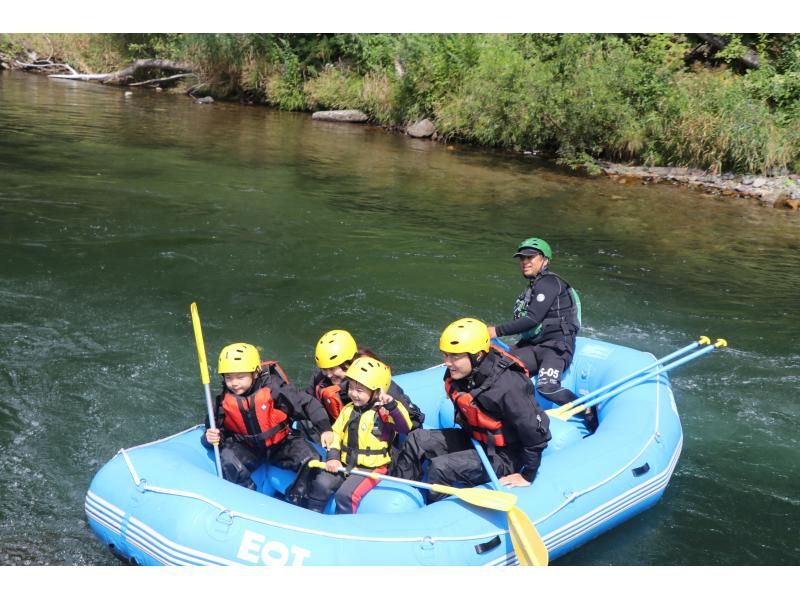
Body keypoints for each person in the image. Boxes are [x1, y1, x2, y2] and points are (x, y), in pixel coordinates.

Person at [390, 318, 550, 502]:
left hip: (506, 456)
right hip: (475, 439)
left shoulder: (508, 385)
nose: (448, 362)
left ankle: (435, 517)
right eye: (445, 355)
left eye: (455, 356)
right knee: (416, 439)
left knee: (441, 467)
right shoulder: (459, 373)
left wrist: (527, 474)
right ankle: (401, 498)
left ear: (478, 355)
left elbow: (536, 433)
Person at [487, 237, 597, 433]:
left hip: (556, 345)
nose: (525, 261)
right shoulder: (533, 287)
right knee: (498, 372)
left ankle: (588, 410)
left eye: (531, 257)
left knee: (547, 387)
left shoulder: (550, 283)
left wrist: (495, 331)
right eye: (522, 258)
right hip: (533, 345)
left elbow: (532, 319)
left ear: (544, 260)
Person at [201, 342, 333, 503]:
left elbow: (306, 404)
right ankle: (247, 497)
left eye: (240, 377)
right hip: (247, 447)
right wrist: (210, 438)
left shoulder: (274, 389)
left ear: (255, 373)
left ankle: (297, 498)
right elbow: (212, 431)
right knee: (227, 459)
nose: (234, 383)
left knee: (311, 460)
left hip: (281, 444)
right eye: (228, 378)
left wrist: (325, 428)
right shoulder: (222, 401)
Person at [305, 356, 413, 513]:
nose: (353, 394)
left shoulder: (383, 412)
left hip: (372, 468)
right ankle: (312, 517)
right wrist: (333, 456)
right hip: (345, 463)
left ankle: (344, 527)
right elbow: (336, 434)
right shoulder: (348, 409)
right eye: (351, 388)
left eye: (360, 390)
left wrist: (392, 406)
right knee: (321, 483)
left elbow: (404, 426)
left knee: (345, 495)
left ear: (376, 392)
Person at [307, 329, 424, 436]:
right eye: (324, 369)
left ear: (349, 362)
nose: (328, 374)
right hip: (338, 432)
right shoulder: (322, 379)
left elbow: (411, 420)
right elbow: (308, 402)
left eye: (332, 369)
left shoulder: (372, 378)